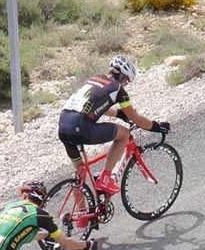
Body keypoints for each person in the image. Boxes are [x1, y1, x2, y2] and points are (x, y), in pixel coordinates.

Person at [58, 54, 170, 195]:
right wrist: (156, 126)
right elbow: (135, 118)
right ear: (123, 77)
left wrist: (120, 114)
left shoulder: (95, 79)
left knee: (80, 174)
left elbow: (96, 106)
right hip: (81, 126)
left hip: (64, 125)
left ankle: (80, 215)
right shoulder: (119, 90)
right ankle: (106, 177)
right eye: (127, 82)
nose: (125, 85)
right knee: (124, 134)